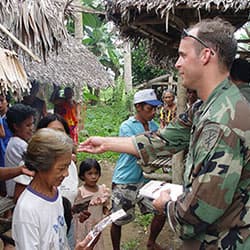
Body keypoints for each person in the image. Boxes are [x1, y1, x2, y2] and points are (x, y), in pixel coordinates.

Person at [78, 17, 250, 249]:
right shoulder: (207, 106)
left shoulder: (220, 123)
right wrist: (106, 143)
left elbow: (199, 212)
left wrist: (166, 205)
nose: (177, 64)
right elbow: (164, 139)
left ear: (206, 55)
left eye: (182, 55)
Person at [109, 89, 165, 250]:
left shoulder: (154, 125)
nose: (153, 112)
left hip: (147, 179)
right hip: (126, 179)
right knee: (118, 219)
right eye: (150, 108)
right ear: (138, 107)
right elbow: (139, 150)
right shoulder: (127, 126)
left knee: (161, 210)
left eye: (155, 108)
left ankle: (151, 242)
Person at [37, 113, 79, 249]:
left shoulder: (70, 165)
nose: (56, 138)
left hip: (67, 225)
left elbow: (70, 196)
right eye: (50, 133)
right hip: (43, 232)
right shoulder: (33, 166)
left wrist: (76, 211)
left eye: (60, 133)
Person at [73, 158, 110, 250]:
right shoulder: (80, 192)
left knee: (97, 245)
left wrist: (108, 212)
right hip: (83, 227)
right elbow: (75, 212)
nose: (93, 177)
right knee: (84, 245)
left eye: (96, 173)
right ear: (82, 176)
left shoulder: (103, 190)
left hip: (97, 226)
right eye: (89, 173)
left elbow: (105, 207)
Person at [4, 104, 36, 200]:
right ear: (16, 126)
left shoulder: (16, 142)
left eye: (32, 124)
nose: (31, 128)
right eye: (28, 125)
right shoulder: (19, 145)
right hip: (19, 191)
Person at [0, 93, 12, 196]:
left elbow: (3, 135)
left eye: (1, 101)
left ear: (7, 102)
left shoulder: (11, 118)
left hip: (6, 153)